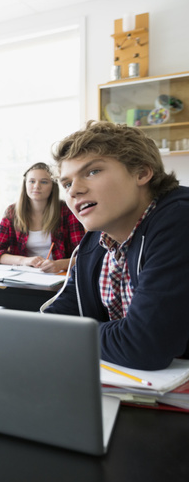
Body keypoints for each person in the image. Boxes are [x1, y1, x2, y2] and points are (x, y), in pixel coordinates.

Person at [43, 120, 189, 371]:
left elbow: (144, 345)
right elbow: (55, 322)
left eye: (92, 172)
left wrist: (70, 335)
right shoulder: (94, 242)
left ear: (142, 173)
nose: (74, 190)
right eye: (66, 184)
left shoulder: (180, 220)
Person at [0, 162, 85, 273]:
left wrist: (59, 264)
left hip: (60, 276)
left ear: (53, 186)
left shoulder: (67, 211)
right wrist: (24, 261)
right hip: (25, 277)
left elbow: (85, 255)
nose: (36, 186)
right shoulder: (12, 212)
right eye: (32, 181)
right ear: (25, 185)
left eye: (44, 182)